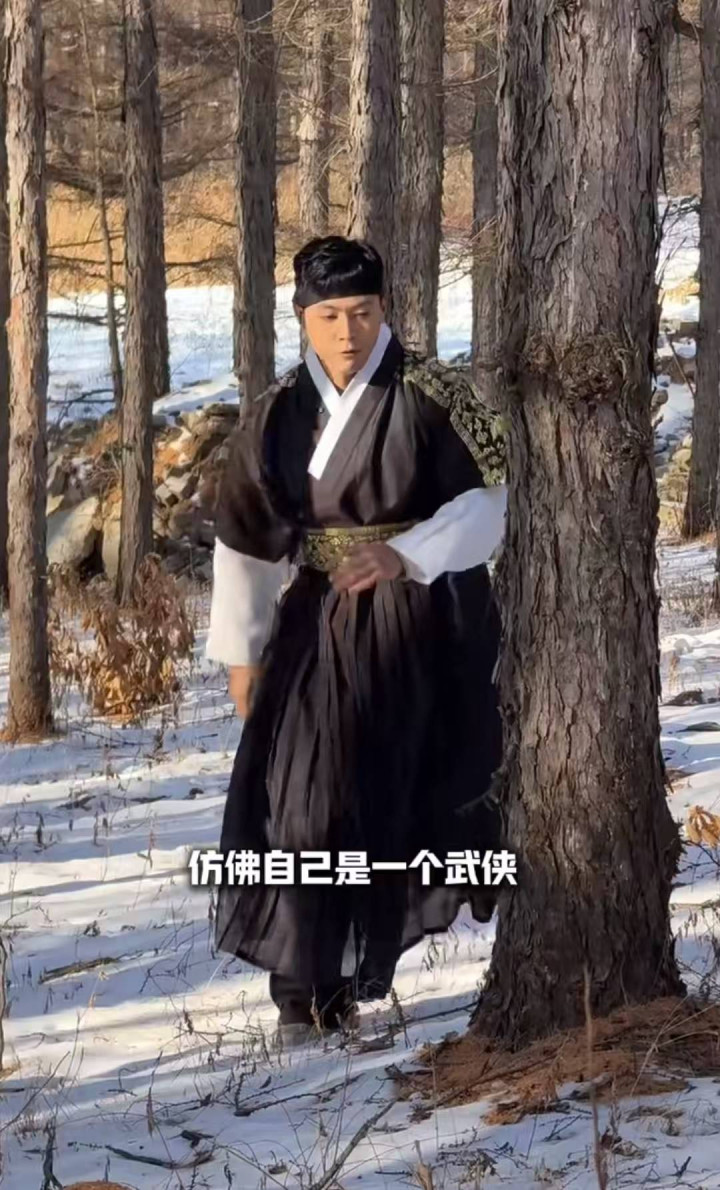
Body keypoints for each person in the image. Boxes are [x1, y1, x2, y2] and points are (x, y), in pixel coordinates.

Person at [206, 235, 508, 1045]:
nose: (348, 332)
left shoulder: (432, 393)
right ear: (302, 317)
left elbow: (493, 502)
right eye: (330, 315)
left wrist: (405, 554)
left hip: (424, 622)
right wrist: (242, 652)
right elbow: (245, 541)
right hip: (315, 628)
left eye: (363, 312)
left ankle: (361, 975)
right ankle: (304, 992)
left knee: (403, 794)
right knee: (302, 803)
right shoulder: (277, 412)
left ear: (385, 310)